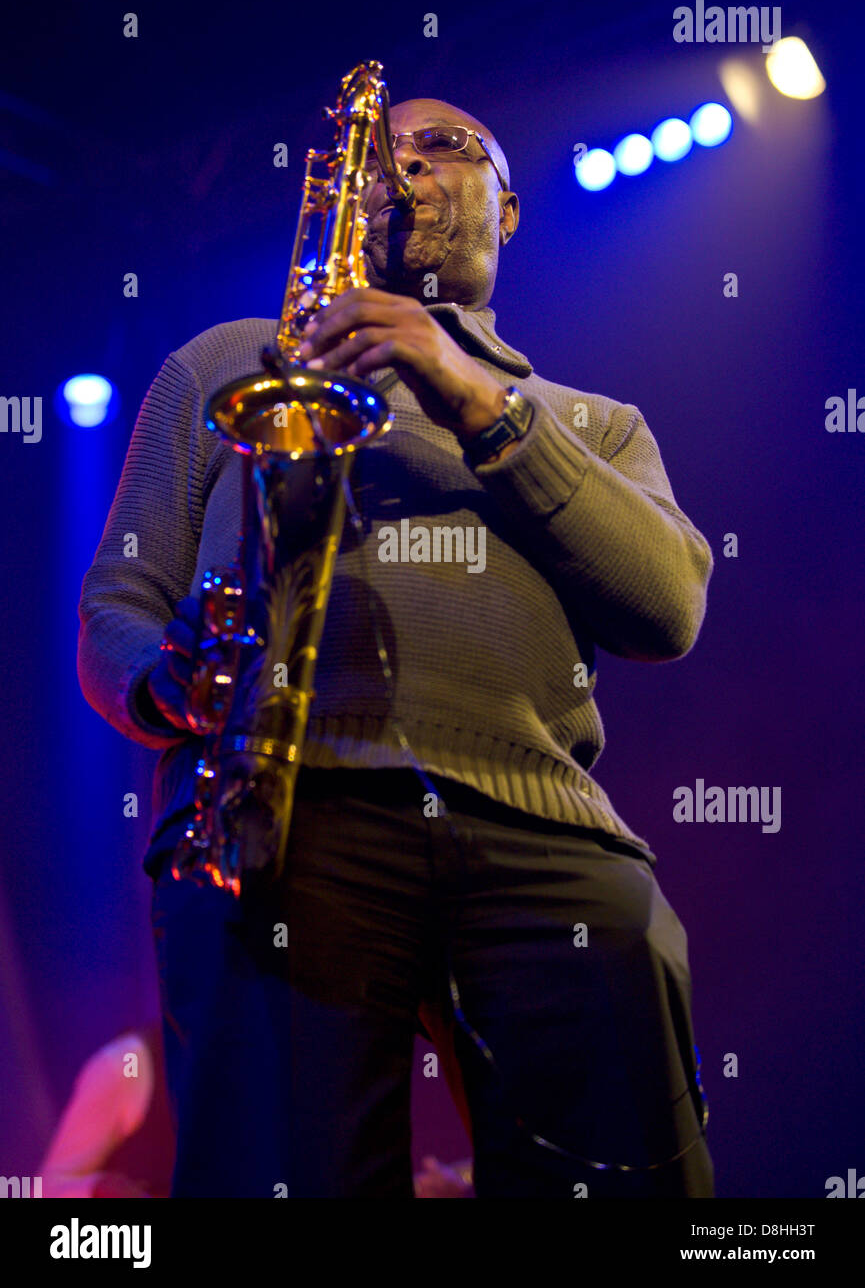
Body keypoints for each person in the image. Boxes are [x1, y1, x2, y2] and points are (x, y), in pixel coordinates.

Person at [77, 94, 716, 1199]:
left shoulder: (593, 421)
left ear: (507, 212)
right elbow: (117, 602)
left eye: (443, 148)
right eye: (383, 153)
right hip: (278, 814)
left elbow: (666, 608)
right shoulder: (227, 359)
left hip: (544, 835)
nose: (405, 170)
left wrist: (467, 389)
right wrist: (161, 683)